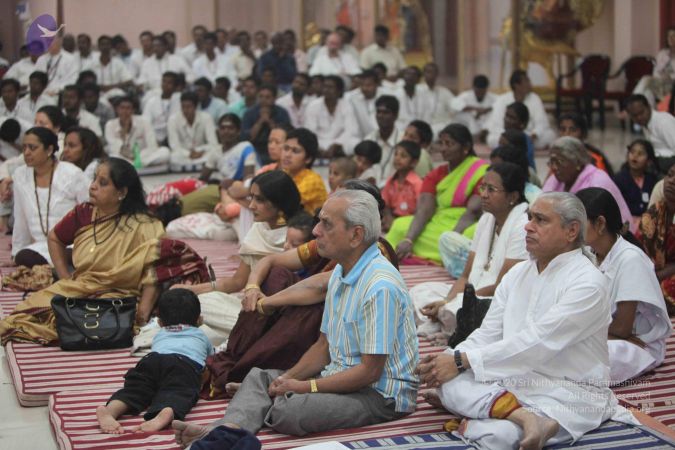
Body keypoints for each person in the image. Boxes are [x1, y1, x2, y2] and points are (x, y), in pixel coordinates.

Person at [172, 189, 418, 444]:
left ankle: (245, 416)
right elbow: (323, 347)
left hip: (379, 395)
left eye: (326, 224)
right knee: (259, 377)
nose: (316, 231)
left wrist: (306, 386)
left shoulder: (380, 287)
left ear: (356, 235)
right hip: (339, 375)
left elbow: (369, 372)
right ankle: (227, 430)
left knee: (290, 409)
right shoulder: (340, 273)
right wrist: (286, 380)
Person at [418, 192, 638, 449]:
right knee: (448, 378)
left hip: (567, 392)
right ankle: (521, 416)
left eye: (540, 220)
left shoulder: (588, 283)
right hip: (511, 380)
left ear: (571, 231)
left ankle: (489, 411)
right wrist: (447, 359)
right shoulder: (517, 274)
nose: (528, 226)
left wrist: (460, 362)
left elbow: (537, 342)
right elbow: (487, 334)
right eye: (530, 217)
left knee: (497, 436)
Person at [200, 180, 398, 399]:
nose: (317, 229)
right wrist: (253, 289)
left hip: (327, 329)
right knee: (275, 277)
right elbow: (270, 261)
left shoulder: (374, 253)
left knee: (307, 312)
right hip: (302, 315)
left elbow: (319, 288)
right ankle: (239, 359)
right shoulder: (329, 240)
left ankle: (242, 372)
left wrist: (268, 303)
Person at [0, 158, 171, 344]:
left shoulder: (146, 226)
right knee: (22, 314)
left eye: (103, 183)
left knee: (85, 322)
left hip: (119, 295)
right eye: (94, 179)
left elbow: (154, 275)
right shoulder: (85, 212)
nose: (93, 186)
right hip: (78, 287)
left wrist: (142, 315)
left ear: (121, 192)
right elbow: (55, 238)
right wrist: (65, 277)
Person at [170, 171, 304, 343]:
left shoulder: (298, 234)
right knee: (201, 301)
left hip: (284, 313)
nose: (252, 206)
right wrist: (189, 290)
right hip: (251, 307)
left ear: (279, 202)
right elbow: (236, 282)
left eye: (260, 200)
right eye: (251, 198)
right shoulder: (258, 229)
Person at [414, 162, 529, 345]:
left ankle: (446, 324)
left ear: (512, 197)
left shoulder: (522, 227)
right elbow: (466, 276)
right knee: (419, 292)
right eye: (483, 187)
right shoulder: (486, 219)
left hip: (496, 301)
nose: (483, 194)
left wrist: (451, 303)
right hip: (472, 292)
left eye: (491, 189)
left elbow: (500, 287)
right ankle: (445, 322)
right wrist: (447, 300)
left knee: (454, 310)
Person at [577, 187, 671, 385]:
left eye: (578, 222)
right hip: (604, 336)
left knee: (581, 360)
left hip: (637, 345)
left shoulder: (630, 259)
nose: (572, 228)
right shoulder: (588, 254)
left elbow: (622, 328)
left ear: (600, 224)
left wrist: (578, 333)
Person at [96, 289, 213, 434]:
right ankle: (167, 410)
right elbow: (210, 360)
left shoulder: (160, 333)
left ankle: (110, 410)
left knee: (136, 389)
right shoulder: (202, 335)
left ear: (160, 322)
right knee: (177, 391)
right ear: (199, 320)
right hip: (184, 364)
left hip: (152, 360)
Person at [387, 124, 488, 264]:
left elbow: (473, 211)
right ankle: (441, 253)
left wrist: (451, 239)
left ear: (465, 147)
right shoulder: (437, 173)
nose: (443, 148)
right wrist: (409, 239)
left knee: (474, 233)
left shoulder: (481, 170)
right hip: (438, 221)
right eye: (441, 143)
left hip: (465, 223)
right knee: (400, 225)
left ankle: (443, 252)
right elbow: (424, 210)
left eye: (449, 144)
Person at [10, 127, 89, 267]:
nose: (26, 153)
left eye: (32, 148)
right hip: (41, 247)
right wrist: (16, 252)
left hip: (71, 244)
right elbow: (20, 218)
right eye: (24, 147)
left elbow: (90, 211)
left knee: (74, 254)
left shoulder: (72, 174)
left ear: (49, 150)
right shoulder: (20, 175)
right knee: (23, 257)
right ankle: (57, 266)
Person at [542, 136, 633, 231]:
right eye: (551, 162)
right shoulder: (556, 179)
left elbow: (594, 228)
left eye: (559, 161)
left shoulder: (597, 182)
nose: (554, 167)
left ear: (577, 162)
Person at [485, 69, 556, 150]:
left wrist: (534, 135)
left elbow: (542, 122)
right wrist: (507, 137)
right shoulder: (502, 100)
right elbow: (497, 125)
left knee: (550, 135)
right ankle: (520, 145)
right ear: (516, 85)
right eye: (527, 81)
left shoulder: (535, 98)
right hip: (507, 136)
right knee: (491, 138)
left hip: (528, 136)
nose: (530, 84)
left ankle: (514, 146)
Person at [639, 164, 675, 313]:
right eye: (669, 175)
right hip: (654, 272)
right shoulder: (655, 212)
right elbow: (639, 247)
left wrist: (656, 276)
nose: (671, 181)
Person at [105, 96, 171, 172]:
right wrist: (123, 134)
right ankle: (136, 166)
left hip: (143, 157)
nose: (125, 111)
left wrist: (138, 157)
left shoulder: (144, 122)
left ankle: (134, 166)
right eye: (122, 108)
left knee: (165, 152)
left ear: (133, 110)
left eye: (128, 108)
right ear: (117, 110)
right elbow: (116, 148)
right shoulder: (110, 125)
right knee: (113, 157)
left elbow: (152, 145)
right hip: (124, 158)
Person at [613, 139, 659, 229]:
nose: (635, 156)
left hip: (646, 226)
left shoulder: (651, 180)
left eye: (640, 153)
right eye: (632, 152)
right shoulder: (619, 179)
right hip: (624, 226)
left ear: (649, 161)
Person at [167, 92, 218, 172]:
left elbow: (213, 143)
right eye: (183, 107)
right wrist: (189, 154)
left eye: (188, 107)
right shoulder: (173, 120)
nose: (185, 110)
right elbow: (174, 146)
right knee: (172, 156)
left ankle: (190, 166)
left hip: (201, 154)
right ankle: (200, 166)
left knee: (215, 152)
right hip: (184, 155)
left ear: (195, 107)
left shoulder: (206, 118)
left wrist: (199, 151)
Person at [241, 84, 292, 164]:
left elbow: (285, 136)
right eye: (261, 97)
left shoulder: (282, 112)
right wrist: (260, 121)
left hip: (277, 149)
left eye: (267, 97)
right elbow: (247, 138)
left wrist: (269, 121)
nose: (263, 100)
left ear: (274, 98)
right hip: (255, 149)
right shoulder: (249, 113)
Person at [280, 128, 327, 214]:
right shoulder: (284, 174)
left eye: (295, 151)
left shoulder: (312, 180)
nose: (287, 155)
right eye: (286, 148)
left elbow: (281, 204)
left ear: (308, 158)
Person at [626, 94, 675, 173]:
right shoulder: (646, 123)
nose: (639, 117)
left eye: (641, 113)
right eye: (635, 115)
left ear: (648, 107)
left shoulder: (664, 122)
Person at [304, 75, 352, 155]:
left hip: (339, 143)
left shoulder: (346, 106)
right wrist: (319, 147)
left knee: (353, 142)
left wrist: (336, 144)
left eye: (330, 87)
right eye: (325, 86)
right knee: (307, 142)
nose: (326, 90)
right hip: (319, 142)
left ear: (339, 91)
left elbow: (350, 130)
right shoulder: (313, 105)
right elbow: (310, 131)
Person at [381, 140, 423, 231]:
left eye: (403, 156)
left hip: (409, 224)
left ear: (414, 162)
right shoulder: (391, 180)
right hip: (391, 220)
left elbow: (420, 210)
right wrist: (389, 219)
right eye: (396, 154)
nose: (397, 158)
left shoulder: (417, 183)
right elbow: (385, 204)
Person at [365, 95, 404, 184]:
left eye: (386, 112)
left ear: (396, 115)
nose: (380, 116)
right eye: (378, 112)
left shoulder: (403, 140)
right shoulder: (369, 139)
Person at [142, 71, 180, 146]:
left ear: (175, 86)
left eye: (169, 83)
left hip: (175, 137)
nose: (165, 85)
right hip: (156, 138)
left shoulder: (180, 100)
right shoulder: (152, 102)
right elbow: (145, 123)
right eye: (164, 81)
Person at [417, 63, 456, 134]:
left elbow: (455, 106)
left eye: (433, 72)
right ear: (424, 74)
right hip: (422, 126)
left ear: (437, 75)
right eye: (428, 72)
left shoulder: (444, 91)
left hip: (441, 126)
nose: (430, 75)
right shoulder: (417, 90)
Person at [91, 35, 133, 100]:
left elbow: (129, 81)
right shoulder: (92, 64)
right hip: (97, 93)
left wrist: (111, 87)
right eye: (102, 44)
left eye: (107, 44)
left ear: (111, 46)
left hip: (116, 93)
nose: (105, 47)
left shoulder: (118, 62)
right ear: (99, 47)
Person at [345, 69, 381, 141]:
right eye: (362, 85)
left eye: (368, 85)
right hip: (361, 138)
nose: (364, 88)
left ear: (376, 84)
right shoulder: (350, 98)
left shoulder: (387, 96)